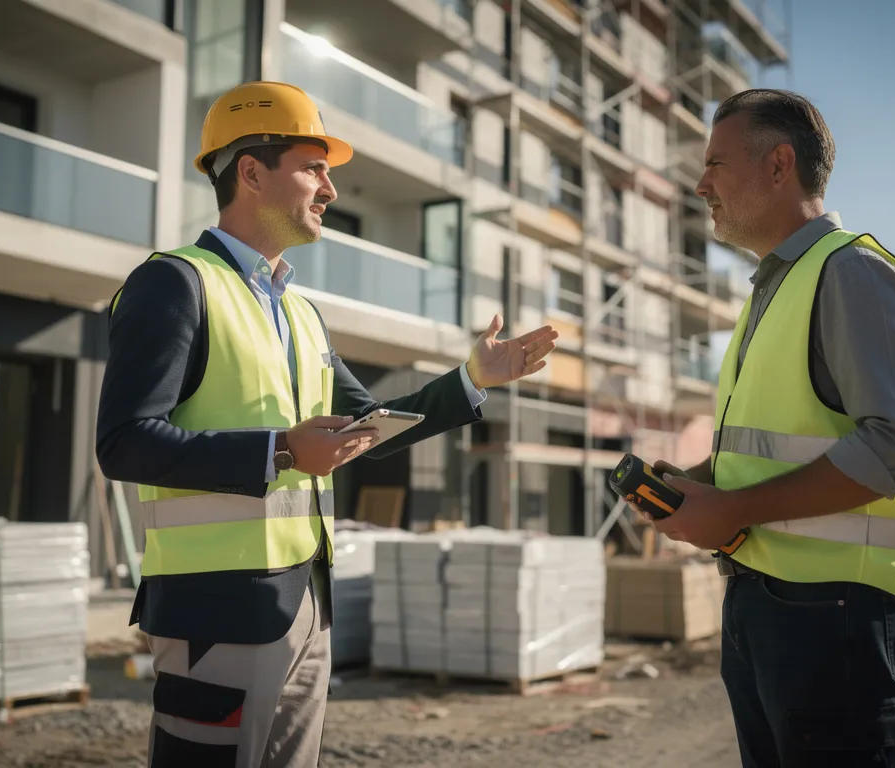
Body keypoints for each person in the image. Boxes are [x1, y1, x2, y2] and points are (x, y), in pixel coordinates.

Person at [94, 80, 558, 768]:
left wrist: (473, 381)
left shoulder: (301, 313)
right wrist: (281, 450)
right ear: (250, 172)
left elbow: (366, 428)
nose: (330, 190)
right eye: (314, 168)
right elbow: (124, 442)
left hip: (306, 607)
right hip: (216, 613)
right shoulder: (177, 283)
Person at [648, 89, 895, 767]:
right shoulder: (775, 287)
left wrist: (734, 508)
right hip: (771, 602)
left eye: (716, 164)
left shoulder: (851, 273)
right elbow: (780, 446)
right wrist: (699, 489)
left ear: (780, 166)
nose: (701, 185)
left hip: (836, 615)